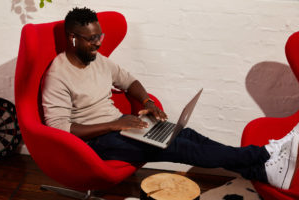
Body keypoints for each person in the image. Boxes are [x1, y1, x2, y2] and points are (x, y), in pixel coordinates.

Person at [42, 7, 299, 190]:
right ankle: (265, 153)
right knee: (180, 147)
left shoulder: (98, 61)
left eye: (100, 36)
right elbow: (60, 129)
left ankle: (262, 169)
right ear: (73, 38)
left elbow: (130, 82)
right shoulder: (58, 74)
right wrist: (114, 125)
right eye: (92, 39)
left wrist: (147, 103)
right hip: (94, 143)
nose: (98, 44)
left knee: (186, 135)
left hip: (121, 125)